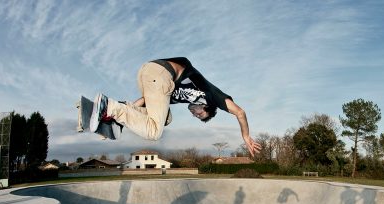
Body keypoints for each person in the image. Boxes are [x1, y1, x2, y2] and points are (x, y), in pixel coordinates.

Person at [89, 57, 261, 156]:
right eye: (200, 115)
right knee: (153, 132)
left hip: (147, 74)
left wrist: (117, 120)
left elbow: (145, 101)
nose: (195, 115)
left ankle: (111, 110)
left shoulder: (176, 97)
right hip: (162, 73)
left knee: (166, 118)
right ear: (206, 106)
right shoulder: (211, 95)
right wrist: (245, 136)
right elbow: (240, 112)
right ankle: (109, 107)